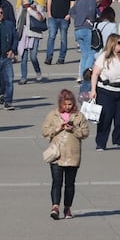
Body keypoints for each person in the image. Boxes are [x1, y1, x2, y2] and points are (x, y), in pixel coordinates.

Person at [42, 89, 90, 220]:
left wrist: (73, 129)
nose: (67, 107)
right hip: (56, 155)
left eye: (69, 104)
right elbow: (45, 131)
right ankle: (55, 207)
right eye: (65, 104)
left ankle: (67, 207)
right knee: (56, 182)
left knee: (69, 184)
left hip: (72, 155)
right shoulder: (53, 115)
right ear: (60, 103)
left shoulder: (79, 116)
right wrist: (58, 128)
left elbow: (85, 133)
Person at [89, 34, 120, 151]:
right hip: (105, 91)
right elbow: (95, 74)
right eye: (119, 42)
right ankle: (101, 143)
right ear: (113, 44)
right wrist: (93, 90)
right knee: (105, 118)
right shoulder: (103, 57)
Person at [17, 0, 46, 83]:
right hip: (23, 34)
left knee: (33, 56)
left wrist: (30, 9)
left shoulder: (37, 6)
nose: (23, 0)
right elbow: (18, 21)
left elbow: (41, 18)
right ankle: (23, 77)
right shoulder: (21, 8)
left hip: (34, 34)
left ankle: (38, 72)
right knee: (23, 57)